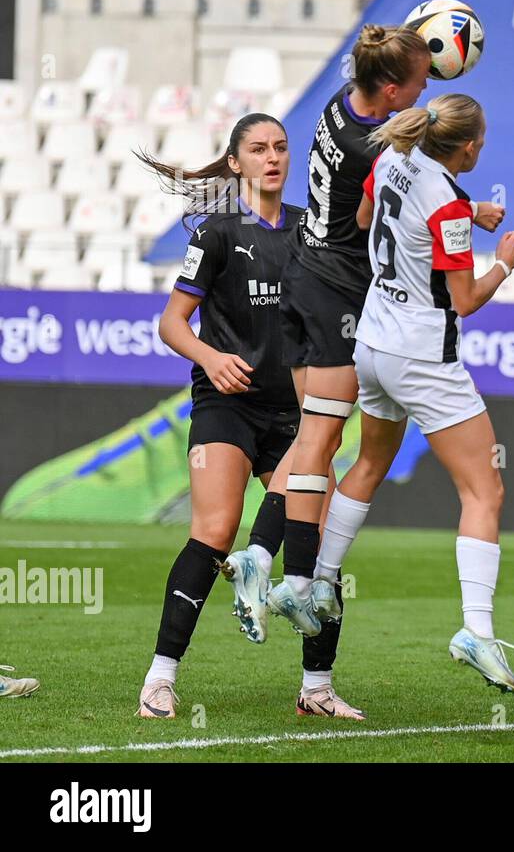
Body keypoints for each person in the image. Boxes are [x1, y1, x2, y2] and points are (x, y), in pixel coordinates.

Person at [222, 25, 499, 716]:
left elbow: (383, 189)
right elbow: (397, 195)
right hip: (344, 299)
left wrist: (466, 209)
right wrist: (482, 233)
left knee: (335, 459)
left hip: (309, 279)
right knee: (321, 444)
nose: (427, 87)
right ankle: (278, 566)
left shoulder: (343, 107)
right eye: (419, 77)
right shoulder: (371, 145)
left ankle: (313, 672)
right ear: (393, 89)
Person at [309, 94, 514, 695]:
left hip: (372, 342)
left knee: (370, 463)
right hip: (422, 354)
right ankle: (476, 630)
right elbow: (465, 300)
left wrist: (465, 213)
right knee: (485, 488)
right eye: (480, 140)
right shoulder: (449, 203)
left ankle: (320, 583)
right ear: (468, 147)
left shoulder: (392, 158)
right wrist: (504, 263)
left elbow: (360, 223)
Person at [134, 114, 318, 718]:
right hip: (227, 405)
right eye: (259, 149)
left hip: (293, 412)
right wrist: (212, 359)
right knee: (213, 534)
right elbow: (171, 322)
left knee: (315, 539)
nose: (273, 157)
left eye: (281, 148)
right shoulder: (217, 232)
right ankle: (159, 681)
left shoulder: (311, 231)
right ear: (235, 162)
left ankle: (317, 689)